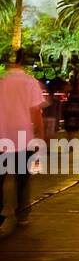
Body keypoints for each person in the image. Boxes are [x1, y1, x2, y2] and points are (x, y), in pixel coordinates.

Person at [0, 50, 48, 232]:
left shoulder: (2, 83)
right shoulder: (30, 82)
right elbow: (35, 112)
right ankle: (22, 214)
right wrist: (41, 137)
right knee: (22, 179)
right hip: (22, 138)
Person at [63, 68, 79, 133]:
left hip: (70, 105)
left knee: (69, 127)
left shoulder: (70, 84)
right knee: (75, 126)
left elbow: (65, 92)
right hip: (78, 106)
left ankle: (71, 138)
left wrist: (68, 97)